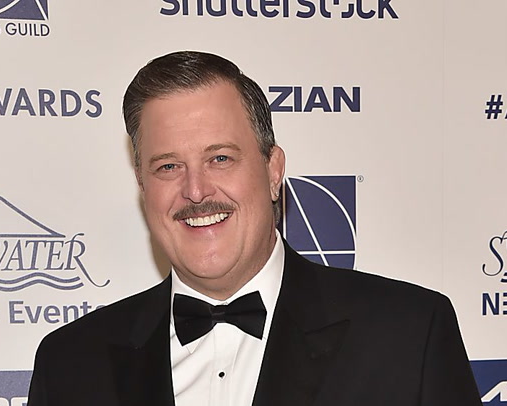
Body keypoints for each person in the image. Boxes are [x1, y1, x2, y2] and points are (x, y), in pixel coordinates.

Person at [27, 51, 482, 406]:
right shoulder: (70, 363)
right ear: (143, 186)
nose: (196, 191)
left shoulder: (407, 335)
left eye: (220, 158)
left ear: (272, 170)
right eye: (168, 166)